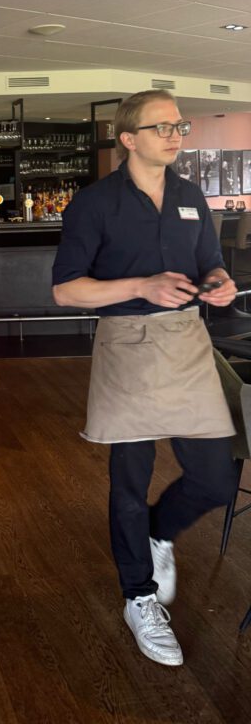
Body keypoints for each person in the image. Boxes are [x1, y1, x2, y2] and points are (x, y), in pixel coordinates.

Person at [52, 89, 237, 667]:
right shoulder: (94, 203)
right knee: (129, 483)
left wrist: (219, 281)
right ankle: (139, 596)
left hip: (186, 342)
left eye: (179, 125)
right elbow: (66, 290)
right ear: (128, 139)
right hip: (127, 344)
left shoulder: (190, 196)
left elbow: (211, 261)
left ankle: (159, 532)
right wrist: (140, 286)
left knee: (215, 479)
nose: (175, 134)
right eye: (162, 127)